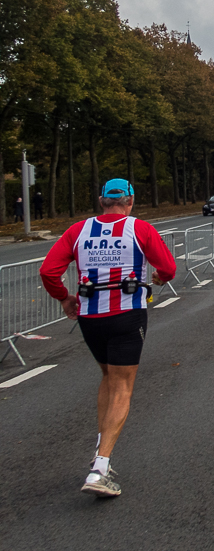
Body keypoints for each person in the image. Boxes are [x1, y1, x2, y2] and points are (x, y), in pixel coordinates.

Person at [39, 178, 176, 498]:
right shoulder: (139, 229)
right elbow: (168, 267)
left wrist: (64, 298)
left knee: (108, 377)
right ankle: (100, 467)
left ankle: (100, 453)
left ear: (102, 201)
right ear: (130, 202)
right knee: (123, 387)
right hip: (127, 314)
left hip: (90, 316)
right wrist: (159, 277)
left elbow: (48, 271)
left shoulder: (77, 231)